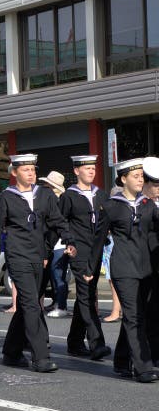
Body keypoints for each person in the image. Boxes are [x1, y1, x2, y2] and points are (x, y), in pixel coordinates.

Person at [0, 154, 77, 372]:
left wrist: (69, 239)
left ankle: (11, 352)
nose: (31, 173)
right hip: (17, 256)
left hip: (38, 255)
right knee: (32, 305)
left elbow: (57, 220)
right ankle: (40, 356)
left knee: (29, 303)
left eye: (33, 169)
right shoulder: (7, 197)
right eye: (26, 170)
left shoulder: (44, 194)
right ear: (14, 173)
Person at [90, 158, 158, 383]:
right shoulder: (111, 206)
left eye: (142, 176)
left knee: (138, 315)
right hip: (123, 267)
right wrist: (90, 268)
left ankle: (121, 359)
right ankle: (143, 367)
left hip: (146, 268)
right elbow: (98, 240)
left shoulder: (148, 205)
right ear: (123, 179)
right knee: (134, 316)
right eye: (136, 176)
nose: (141, 180)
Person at [59, 155, 110, 360]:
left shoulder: (101, 195)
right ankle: (97, 343)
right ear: (77, 171)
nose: (91, 171)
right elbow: (60, 222)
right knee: (87, 296)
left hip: (96, 252)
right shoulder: (69, 196)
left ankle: (74, 342)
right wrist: (68, 242)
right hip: (79, 252)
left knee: (87, 295)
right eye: (87, 168)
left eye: (93, 168)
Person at [39, 171, 70, 318]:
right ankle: (56, 302)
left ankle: (61, 305)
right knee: (52, 275)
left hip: (58, 244)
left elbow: (58, 224)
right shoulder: (52, 200)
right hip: (51, 243)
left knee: (58, 276)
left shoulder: (59, 202)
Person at [142, 157, 159, 368]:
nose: (158, 188)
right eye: (155, 184)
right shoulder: (139, 204)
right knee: (149, 311)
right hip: (143, 265)